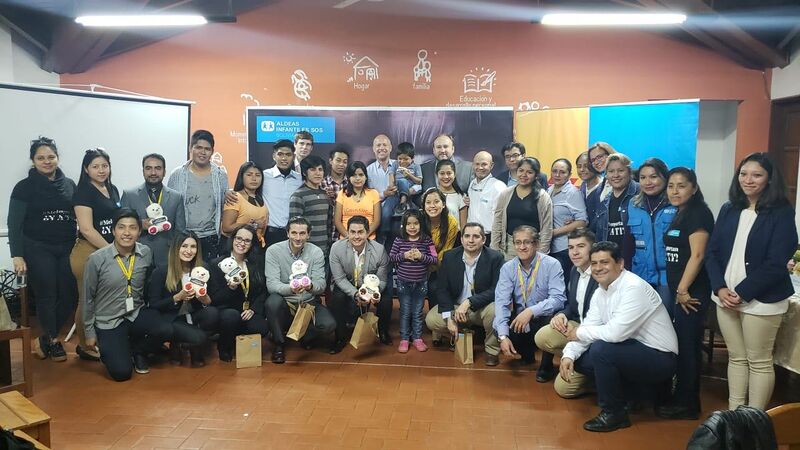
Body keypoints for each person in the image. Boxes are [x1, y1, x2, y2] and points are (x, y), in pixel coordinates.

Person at [705, 152, 797, 410]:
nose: (748, 180)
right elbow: (712, 252)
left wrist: (743, 292)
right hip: (724, 297)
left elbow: (777, 261)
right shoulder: (729, 208)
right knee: (736, 357)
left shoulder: (781, 212)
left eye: (757, 175)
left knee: (759, 361)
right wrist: (720, 288)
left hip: (762, 299)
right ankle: (735, 414)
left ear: (769, 179)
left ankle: (755, 419)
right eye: (743, 174)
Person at [560, 241, 678, 432]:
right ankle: (633, 395)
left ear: (620, 263)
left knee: (601, 350)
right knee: (581, 359)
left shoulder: (633, 287)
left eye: (604, 262)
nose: (598, 268)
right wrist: (569, 354)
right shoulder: (601, 291)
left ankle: (614, 413)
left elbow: (615, 333)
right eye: (594, 263)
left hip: (661, 357)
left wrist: (578, 332)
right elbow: (590, 325)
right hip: (632, 350)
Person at [81, 208, 173, 381]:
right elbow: (87, 297)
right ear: (113, 231)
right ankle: (114, 349)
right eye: (121, 227)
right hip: (109, 320)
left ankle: (138, 351)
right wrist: (89, 333)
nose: (127, 233)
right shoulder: (97, 259)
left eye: (133, 228)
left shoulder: (145, 253)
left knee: (165, 329)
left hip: (135, 312)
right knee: (121, 373)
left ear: (139, 232)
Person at [10, 137, 77, 362]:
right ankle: (53, 339)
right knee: (47, 294)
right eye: (41, 158)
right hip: (37, 247)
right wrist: (17, 255)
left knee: (69, 295)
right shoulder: (24, 187)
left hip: (67, 246)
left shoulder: (69, 185)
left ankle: (44, 338)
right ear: (33, 160)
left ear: (57, 158)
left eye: (51, 157)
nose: (47, 161)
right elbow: (14, 224)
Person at [656, 168, 715, 420]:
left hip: (691, 293)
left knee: (689, 346)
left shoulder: (698, 213)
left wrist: (682, 289)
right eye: (671, 186)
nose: (675, 191)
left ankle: (687, 404)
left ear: (694, 188)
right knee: (682, 343)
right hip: (681, 291)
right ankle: (682, 397)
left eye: (681, 186)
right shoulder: (681, 212)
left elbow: (698, 255)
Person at [425, 222, 505, 366]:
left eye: (476, 236)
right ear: (461, 240)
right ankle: (461, 336)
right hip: (456, 308)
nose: (471, 240)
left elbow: (496, 290)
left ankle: (491, 351)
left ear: (483, 240)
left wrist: (469, 302)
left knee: (496, 311)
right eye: (467, 236)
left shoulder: (495, 258)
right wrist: (449, 317)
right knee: (431, 319)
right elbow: (442, 289)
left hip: (481, 307)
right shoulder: (449, 257)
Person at [493, 225, 565, 379]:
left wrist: (532, 311)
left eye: (527, 242)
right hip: (521, 319)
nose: (522, 247)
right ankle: (527, 354)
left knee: (552, 319)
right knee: (498, 325)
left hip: (543, 317)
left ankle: (546, 365)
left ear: (536, 244)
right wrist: (503, 337)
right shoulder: (508, 268)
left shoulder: (552, 264)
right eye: (518, 242)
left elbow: (558, 299)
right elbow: (501, 302)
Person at [70, 148, 120, 362]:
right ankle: (84, 345)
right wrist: (112, 250)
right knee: (87, 301)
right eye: (95, 166)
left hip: (109, 249)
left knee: (104, 300)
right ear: (86, 169)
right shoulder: (83, 192)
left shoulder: (112, 188)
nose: (101, 170)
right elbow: (87, 229)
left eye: (105, 166)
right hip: (88, 252)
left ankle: (101, 340)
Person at [264, 217, 336, 363]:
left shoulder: (316, 252)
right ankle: (279, 344)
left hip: (308, 302)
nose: (298, 238)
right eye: (294, 233)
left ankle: (305, 335)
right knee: (272, 302)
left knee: (329, 325)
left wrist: (310, 286)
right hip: (285, 302)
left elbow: (321, 284)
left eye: (302, 233)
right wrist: (291, 289)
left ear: (308, 235)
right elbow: (272, 285)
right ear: (287, 233)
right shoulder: (273, 251)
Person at [534, 228, 599, 388]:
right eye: (570, 247)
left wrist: (580, 332)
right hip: (579, 325)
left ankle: (597, 370)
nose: (574, 252)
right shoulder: (575, 270)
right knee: (543, 336)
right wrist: (562, 314)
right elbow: (573, 304)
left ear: (593, 248)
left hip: (598, 333)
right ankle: (582, 364)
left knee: (564, 388)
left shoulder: (601, 273)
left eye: (580, 246)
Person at [148, 231, 219, 368]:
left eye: (193, 247)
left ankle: (188, 343)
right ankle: (178, 343)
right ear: (176, 248)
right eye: (184, 246)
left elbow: (211, 301)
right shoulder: (161, 271)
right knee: (199, 338)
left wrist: (204, 298)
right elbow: (154, 305)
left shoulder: (203, 269)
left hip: (193, 313)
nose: (189, 251)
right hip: (173, 317)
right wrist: (177, 297)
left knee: (213, 313)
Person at [329, 215, 393, 352]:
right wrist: (356, 294)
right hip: (349, 284)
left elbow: (382, 280)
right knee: (337, 297)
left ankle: (383, 332)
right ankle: (340, 337)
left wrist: (373, 294)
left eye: (360, 232)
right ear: (347, 232)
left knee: (386, 299)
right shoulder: (336, 248)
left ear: (367, 232)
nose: (356, 236)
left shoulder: (379, 250)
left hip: (371, 286)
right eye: (352, 232)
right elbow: (339, 279)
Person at [207, 224, 269, 362]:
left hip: (248, 310)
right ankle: (224, 346)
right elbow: (214, 298)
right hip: (227, 310)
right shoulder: (217, 264)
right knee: (231, 317)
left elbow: (263, 290)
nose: (242, 243)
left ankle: (241, 342)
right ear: (232, 239)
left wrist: (253, 309)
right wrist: (231, 288)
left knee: (261, 327)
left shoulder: (256, 263)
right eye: (239, 238)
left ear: (252, 244)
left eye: (247, 240)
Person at [167, 130, 229, 262]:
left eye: (207, 149)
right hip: (183, 236)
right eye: (198, 147)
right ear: (190, 148)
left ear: (212, 151)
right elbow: (170, 207)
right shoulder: (177, 174)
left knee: (206, 272)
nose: (203, 152)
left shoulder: (220, 175)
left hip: (210, 237)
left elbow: (224, 205)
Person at [121, 153, 186, 269]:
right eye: (148, 168)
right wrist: (140, 225)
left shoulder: (177, 197)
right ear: (143, 171)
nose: (153, 172)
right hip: (136, 256)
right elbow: (121, 227)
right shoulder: (129, 195)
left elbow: (180, 231)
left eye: (158, 168)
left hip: (167, 257)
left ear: (164, 172)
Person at [627, 159, 676, 309]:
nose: (648, 182)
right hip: (640, 275)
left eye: (653, 177)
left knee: (664, 317)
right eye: (643, 177)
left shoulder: (675, 204)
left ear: (665, 177)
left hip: (668, 276)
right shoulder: (633, 205)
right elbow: (629, 241)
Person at [389, 210, 438, 353]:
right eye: (409, 224)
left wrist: (421, 256)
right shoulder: (399, 240)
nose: (412, 227)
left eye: (416, 223)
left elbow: (434, 259)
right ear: (403, 225)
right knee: (405, 312)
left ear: (421, 224)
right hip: (403, 283)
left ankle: (417, 337)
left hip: (421, 284)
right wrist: (404, 255)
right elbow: (391, 257)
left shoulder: (427, 240)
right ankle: (404, 338)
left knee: (417, 312)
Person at [491, 157, 553, 259]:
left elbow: (547, 228)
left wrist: (542, 254)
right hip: (509, 247)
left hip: (533, 247)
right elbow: (497, 222)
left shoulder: (543, 197)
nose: (524, 175)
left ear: (536, 175)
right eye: (521, 170)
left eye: (529, 172)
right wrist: (494, 248)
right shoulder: (505, 194)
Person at [588, 153, 639, 263]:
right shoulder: (605, 201)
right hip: (610, 262)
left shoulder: (640, 194)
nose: (616, 175)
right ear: (606, 175)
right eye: (611, 171)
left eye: (621, 171)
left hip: (635, 261)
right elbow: (597, 233)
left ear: (629, 172)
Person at [548, 158, 588, 280]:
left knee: (563, 284)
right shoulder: (549, 190)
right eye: (555, 171)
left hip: (564, 248)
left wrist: (554, 232)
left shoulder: (573, 193)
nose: (557, 175)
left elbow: (582, 221)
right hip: (549, 247)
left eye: (562, 172)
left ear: (569, 174)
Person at [422, 188, 459, 315]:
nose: (432, 206)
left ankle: (436, 319)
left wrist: (430, 265)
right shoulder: (419, 220)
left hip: (439, 265)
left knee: (434, 287)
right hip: (418, 263)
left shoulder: (451, 222)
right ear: (423, 206)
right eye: (428, 202)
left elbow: (446, 251)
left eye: (436, 202)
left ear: (443, 204)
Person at [259, 139, 303, 246]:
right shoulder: (264, 176)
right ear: (274, 156)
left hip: (294, 234)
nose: (284, 158)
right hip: (270, 233)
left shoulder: (300, 179)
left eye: (288, 154)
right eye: (280, 154)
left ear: (293, 157)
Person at [222, 162, 268, 257]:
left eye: (258, 175)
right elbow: (226, 227)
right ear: (241, 177)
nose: (254, 178)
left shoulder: (261, 197)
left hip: (256, 247)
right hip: (237, 248)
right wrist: (253, 225)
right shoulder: (235, 197)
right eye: (249, 175)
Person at [289, 154, 332, 255]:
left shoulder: (325, 195)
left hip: (325, 250)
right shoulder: (298, 195)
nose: (318, 173)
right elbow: (295, 228)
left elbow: (328, 225)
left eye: (320, 169)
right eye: (313, 169)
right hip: (306, 252)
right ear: (304, 172)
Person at [467, 150, 506, 244]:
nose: (480, 167)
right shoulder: (472, 184)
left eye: (484, 164)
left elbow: (502, 217)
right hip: (472, 236)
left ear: (491, 165)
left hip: (490, 237)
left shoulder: (499, 186)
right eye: (477, 164)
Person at [335, 161, 381, 239]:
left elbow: (376, 221)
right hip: (346, 238)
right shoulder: (342, 193)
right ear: (349, 178)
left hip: (368, 238)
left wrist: (364, 236)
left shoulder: (374, 193)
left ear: (366, 177)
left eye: (361, 175)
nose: (357, 178)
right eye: (354, 175)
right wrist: (350, 237)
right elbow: (337, 221)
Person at [366, 134, 399, 243]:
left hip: (399, 215)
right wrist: (384, 194)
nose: (381, 148)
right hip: (377, 216)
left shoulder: (399, 165)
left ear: (390, 148)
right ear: (373, 149)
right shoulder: (368, 171)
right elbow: (368, 197)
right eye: (378, 145)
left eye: (384, 145)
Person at [584, 142, 616, 232]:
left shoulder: (630, 181)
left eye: (599, 157)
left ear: (610, 155)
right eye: (593, 160)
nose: (596, 162)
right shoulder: (598, 190)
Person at [322, 145, 350, 241]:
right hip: (327, 232)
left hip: (346, 233)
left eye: (345, 162)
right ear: (330, 161)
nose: (341, 164)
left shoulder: (351, 184)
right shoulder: (322, 183)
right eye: (338, 160)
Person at [435, 159, 468, 230]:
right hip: (433, 235)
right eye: (442, 173)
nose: (446, 177)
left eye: (449, 173)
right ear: (437, 175)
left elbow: (463, 225)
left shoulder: (461, 197)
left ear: (454, 174)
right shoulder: (431, 194)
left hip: (456, 235)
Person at [393, 142, 422, 214]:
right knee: (402, 181)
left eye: (406, 159)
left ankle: (403, 201)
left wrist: (409, 175)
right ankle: (404, 202)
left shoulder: (416, 166)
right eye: (400, 159)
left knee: (418, 187)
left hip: (412, 186)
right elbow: (391, 175)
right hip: (399, 187)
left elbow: (419, 181)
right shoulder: (395, 164)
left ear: (412, 158)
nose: (402, 161)